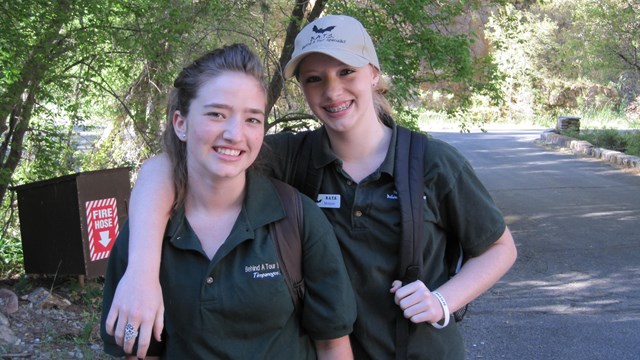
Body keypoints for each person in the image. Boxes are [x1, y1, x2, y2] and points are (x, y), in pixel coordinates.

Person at [107, 15, 517, 359]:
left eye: (346, 72)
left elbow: (499, 248)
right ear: (303, 89)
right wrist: (141, 271)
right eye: (315, 79)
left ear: (373, 74)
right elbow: (170, 164)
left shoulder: (432, 163)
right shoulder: (287, 156)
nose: (332, 90)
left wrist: (443, 301)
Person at [100, 43, 356, 359]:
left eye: (252, 119)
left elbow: (332, 345)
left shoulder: (297, 219)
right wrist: (140, 280)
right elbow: (139, 352)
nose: (235, 134)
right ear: (181, 124)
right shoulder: (145, 235)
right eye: (217, 114)